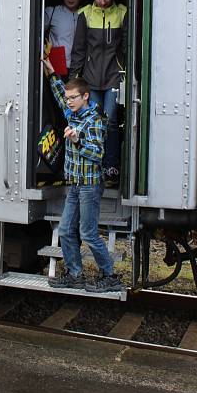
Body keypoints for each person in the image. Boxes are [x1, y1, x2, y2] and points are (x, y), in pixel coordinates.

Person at [41, 57, 123, 293]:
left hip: (89, 185)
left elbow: (97, 154)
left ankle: (110, 275)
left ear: (85, 96)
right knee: (66, 230)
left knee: (88, 232)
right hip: (75, 185)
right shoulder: (73, 114)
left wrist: (77, 141)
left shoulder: (93, 121)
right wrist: (51, 72)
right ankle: (75, 274)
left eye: (73, 98)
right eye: (69, 98)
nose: (69, 102)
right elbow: (58, 95)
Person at [70, 0, 128, 188]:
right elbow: (78, 49)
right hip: (91, 79)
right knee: (93, 123)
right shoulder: (85, 14)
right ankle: (94, 167)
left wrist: (128, 74)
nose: (103, 2)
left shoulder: (122, 13)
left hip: (114, 76)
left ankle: (111, 167)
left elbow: (129, 48)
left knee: (110, 121)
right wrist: (74, 81)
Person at [43, 0, 83, 76]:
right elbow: (34, 33)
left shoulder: (86, 13)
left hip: (80, 66)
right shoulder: (52, 12)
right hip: (57, 65)